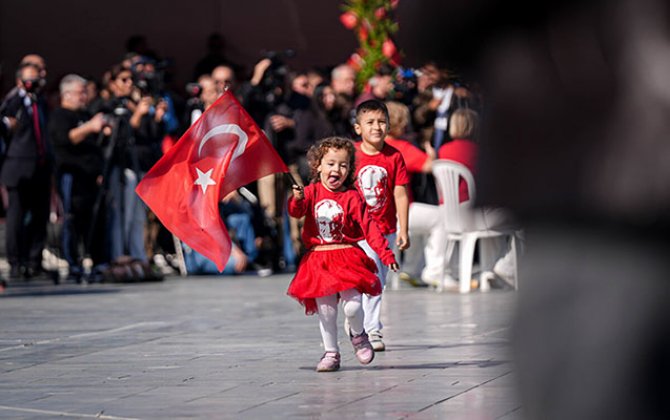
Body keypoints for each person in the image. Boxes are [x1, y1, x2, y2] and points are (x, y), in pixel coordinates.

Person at [287, 137, 398, 372]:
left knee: (353, 307)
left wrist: (386, 254)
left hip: (347, 256)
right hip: (319, 259)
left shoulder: (352, 197)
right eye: (330, 163)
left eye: (343, 165)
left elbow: (369, 228)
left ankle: (359, 336)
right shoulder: (311, 192)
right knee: (326, 310)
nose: (336, 169)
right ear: (318, 166)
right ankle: (331, 353)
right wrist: (296, 200)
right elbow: (296, 212)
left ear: (349, 170)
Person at [353, 100, 410, 351]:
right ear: (358, 128)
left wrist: (403, 228)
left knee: (379, 280)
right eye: (370, 122)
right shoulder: (351, 154)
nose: (377, 127)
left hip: (386, 229)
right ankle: (367, 327)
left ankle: (365, 326)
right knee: (368, 277)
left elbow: (400, 193)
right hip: (358, 231)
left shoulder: (394, 156)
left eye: (381, 122)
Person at [47, 74, 108, 280]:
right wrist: (90, 127)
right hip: (72, 176)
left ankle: (96, 260)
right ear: (67, 94)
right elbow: (66, 139)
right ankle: (72, 261)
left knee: (94, 219)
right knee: (72, 219)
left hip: (91, 178)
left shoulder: (85, 113)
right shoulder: (60, 116)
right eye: (80, 92)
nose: (84, 97)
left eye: (85, 92)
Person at [0, 62, 52, 279]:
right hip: (18, 167)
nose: (34, 84)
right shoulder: (14, 101)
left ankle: (34, 260)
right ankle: (15, 261)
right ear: (20, 81)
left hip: (40, 166)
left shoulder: (40, 102)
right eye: (30, 80)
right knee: (16, 216)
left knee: (40, 216)